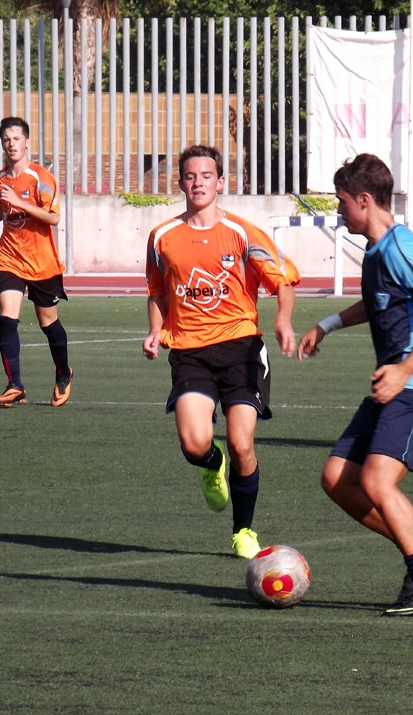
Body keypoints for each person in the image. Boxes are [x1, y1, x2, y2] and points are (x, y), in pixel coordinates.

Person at [297, 153, 413, 617]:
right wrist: (327, 324)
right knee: (337, 479)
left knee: (376, 480)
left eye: (342, 202)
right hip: (394, 384)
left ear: (364, 200)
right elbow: (378, 303)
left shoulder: (401, 246)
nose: (338, 211)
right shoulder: (377, 250)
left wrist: (405, 368)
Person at [143, 144, 300, 559]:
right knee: (195, 444)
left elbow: (282, 281)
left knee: (241, 442)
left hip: (241, 348)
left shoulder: (242, 232)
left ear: (220, 183)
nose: (198, 183)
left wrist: (282, 320)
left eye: (206, 176)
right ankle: (213, 466)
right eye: (191, 176)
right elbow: (157, 291)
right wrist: (155, 330)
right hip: (190, 352)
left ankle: (243, 530)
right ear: (180, 183)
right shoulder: (162, 237)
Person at [0, 116, 73, 408]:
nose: (11, 144)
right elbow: (1, 207)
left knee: (48, 324)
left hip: (42, 262)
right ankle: (15, 385)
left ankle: (63, 374)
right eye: (6, 140)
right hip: (9, 258)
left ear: (27, 142)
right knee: (7, 319)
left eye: (16, 139)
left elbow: (53, 218)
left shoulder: (42, 179)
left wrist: (22, 203)